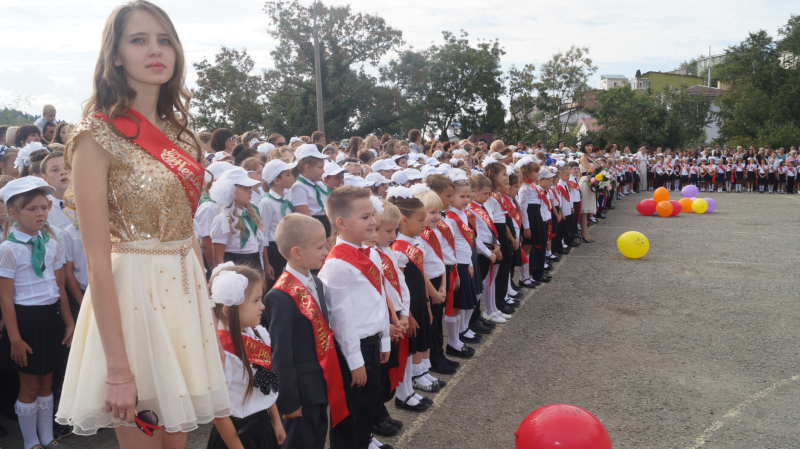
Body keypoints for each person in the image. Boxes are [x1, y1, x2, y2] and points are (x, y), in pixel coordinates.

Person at [56, 3, 232, 446]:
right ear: (115, 56)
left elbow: (186, 227)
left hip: (184, 293)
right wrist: (117, 370)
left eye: (164, 40)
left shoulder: (183, 136)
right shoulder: (95, 136)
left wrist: (206, 307)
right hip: (131, 297)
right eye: (139, 40)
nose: (155, 50)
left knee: (179, 441)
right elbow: (97, 259)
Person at [0, 177, 75, 449]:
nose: (41, 213)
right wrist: (15, 339)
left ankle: (47, 437)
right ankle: (31, 443)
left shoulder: (51, 243)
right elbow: (6, 298)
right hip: (25, 324)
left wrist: (68, 322)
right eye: (32, 208)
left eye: (44, 207)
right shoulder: (8, 249)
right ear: (13, 213)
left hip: (50, 321)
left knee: (47, 384)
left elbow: (59, 287)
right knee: (29, 387)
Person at [263, 213, 346, 449]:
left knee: (317, 438)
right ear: (297, 253)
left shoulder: (316, 282)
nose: (326, 250)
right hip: (300, 391)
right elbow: (281, 353)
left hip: (319, 382)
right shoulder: (279, 296)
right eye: (320, 246)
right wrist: (289, 400)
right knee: (299, 442)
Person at [319, 186, 389, 449]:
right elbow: (341, 320)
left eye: (372, 215)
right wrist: (355, 362)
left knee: (366, 414)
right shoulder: (337, 265)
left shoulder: (368, 252)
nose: (373, 221)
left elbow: (378, 300)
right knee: (347, 419)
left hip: (372, 345)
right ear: (341, 223)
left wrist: (384, 342)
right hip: (352, 351)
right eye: (364, 217)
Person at [207, 264, 286, 449]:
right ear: (228, 311)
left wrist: (275, 421)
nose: (263, 306)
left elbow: (263, 382)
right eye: (256, 300)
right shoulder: (222, 353)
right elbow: (219, 413)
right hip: (237, 436)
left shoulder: (255, 332)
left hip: (262, 425)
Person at [209, 167, 265, 268]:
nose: (250, 192)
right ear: (231, 190)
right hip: (237, 273)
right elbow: (218, 259)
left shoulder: (249, 215)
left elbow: (256, 247)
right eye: (245, 188)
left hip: (255, 269)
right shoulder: (223, 220)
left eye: (250, 188)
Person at [259, 159, 297, 290]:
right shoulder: (266, 203)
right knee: (277, 286)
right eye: (288, 175)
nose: (292, 177)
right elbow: (263, 235)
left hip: (287, 246)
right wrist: (266, 263)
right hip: (274, 250)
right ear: (276, 180)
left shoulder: (286, 199)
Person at [291, 144, 331, 237]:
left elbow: (326, 211)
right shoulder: (299, 187)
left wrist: (331, 233)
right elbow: (306, 218)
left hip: (325, 224)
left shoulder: (320, 184)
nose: (323, 171)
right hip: (313, 229)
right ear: (308, 167)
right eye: (320, 167)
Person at [39, 152, 73, 230]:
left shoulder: (87, 200)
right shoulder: (45, 210)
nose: (63, 172)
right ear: (45, 179)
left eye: (67, 167)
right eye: (55, 170)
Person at [578, 142, 597, 242]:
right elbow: (589, 170)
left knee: (587, 210)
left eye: (590, 145)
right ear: (583, 147)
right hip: (586, 181)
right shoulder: (583, 158)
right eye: (587, 146)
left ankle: (585, 233)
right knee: (584, 210)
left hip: (592, 180)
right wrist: (596, 166)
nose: (589, 147)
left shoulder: (591, 157)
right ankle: (583, 233)